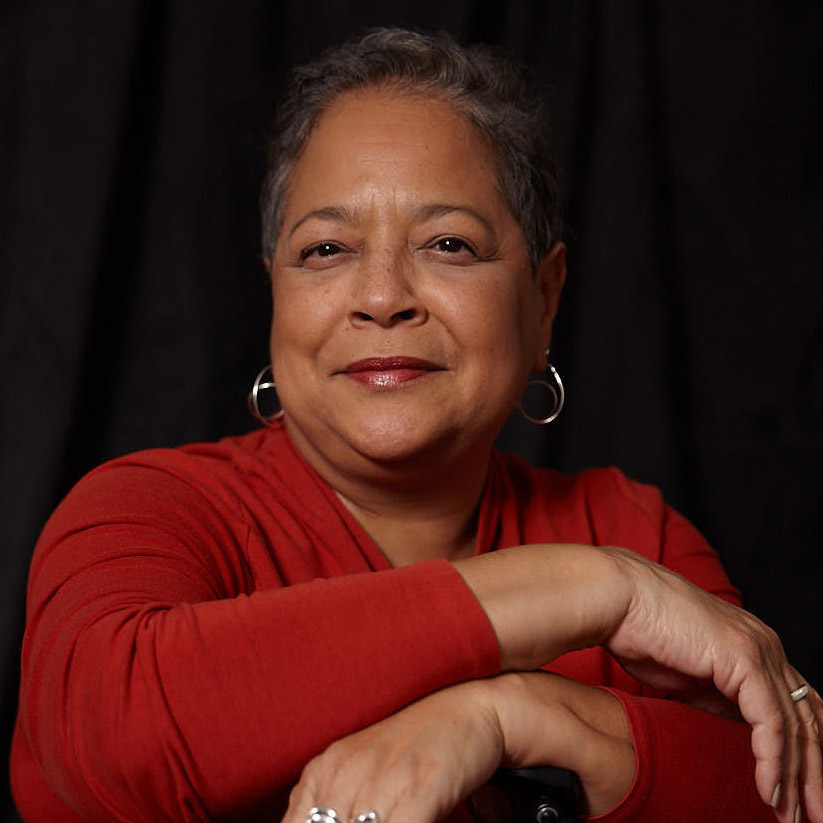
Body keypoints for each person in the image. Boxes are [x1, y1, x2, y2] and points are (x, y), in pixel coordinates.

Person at [10, 27, 822, 823]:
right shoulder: (146, 509)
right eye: (325, 250)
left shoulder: (631, 529)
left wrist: (511, 715)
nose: (381, 297)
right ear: (275, 292)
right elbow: (108, 741)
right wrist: (592, 589)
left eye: (448, 244)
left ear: (543, 298)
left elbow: (786, 786)